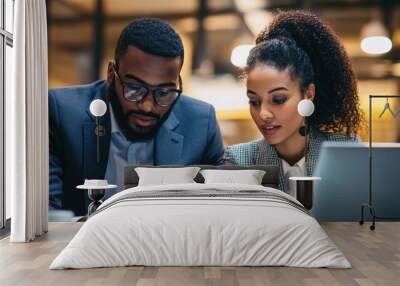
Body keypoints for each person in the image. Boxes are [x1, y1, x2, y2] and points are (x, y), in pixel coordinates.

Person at [49, 18, 224, 215]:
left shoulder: (201, 123)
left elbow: (215, 212)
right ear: (110, 74)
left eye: (164, 92)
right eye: (134, 88)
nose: (148, 106)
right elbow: (46, 213)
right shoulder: (61, 112)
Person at [224, 11, 364, 197]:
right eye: (254, 101)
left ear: (308, 94)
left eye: (278, 100)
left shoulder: (347, 153)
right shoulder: (238, 160)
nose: (263, 113)